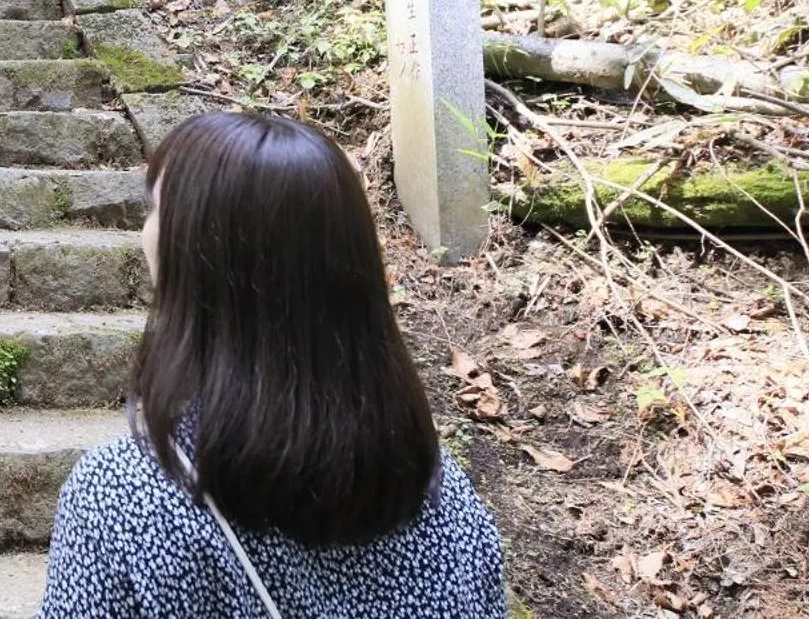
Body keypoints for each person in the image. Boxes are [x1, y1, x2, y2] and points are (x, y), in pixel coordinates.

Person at [40, 111, 507, 618]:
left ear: (191, 259)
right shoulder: (442, 495)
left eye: (153, 208)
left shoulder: (120, 500)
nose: (146, 229)